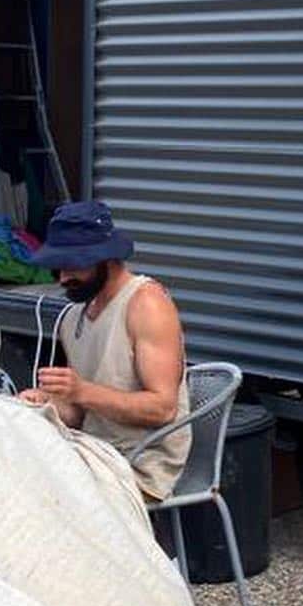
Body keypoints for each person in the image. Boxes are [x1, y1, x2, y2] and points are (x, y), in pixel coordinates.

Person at [18, 199, 191, 501]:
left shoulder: (146, 303)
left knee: (29, 496)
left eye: (73, 266)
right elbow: (79, 413)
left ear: (106, 259)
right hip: (93, 451)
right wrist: (46, 403)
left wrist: (82, 391)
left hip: (141, 462)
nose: (63, 278)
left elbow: (163, 408)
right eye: (59, 266)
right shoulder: (73, 318)